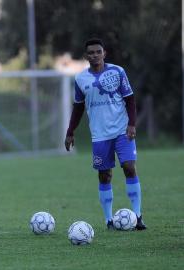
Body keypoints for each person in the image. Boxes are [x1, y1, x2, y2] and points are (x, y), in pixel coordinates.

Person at [64, 38, 146, 230]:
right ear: (86, 56)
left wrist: (132, 124)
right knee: (104, 175)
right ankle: (109, 220)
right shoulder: (80, 79)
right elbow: (78, 107)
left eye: (98, 52)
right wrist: (70, 132)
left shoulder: (117, 72)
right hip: (99, 135)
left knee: (129, 167)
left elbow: (130, 99)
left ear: (104, 53)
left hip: (122, 130)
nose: (94, 55)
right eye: (91, 53)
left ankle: (138, 216)